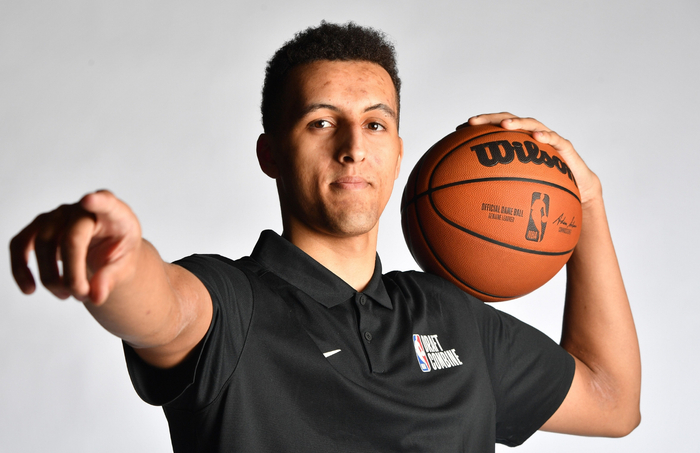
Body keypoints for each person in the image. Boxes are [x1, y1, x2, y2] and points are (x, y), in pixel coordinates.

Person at [9, 22, 640, 452]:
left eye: (376, 124)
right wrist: (116, 264)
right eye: (320, 122)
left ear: (399, 154)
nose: (353, 147)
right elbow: (164, 307)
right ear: (270, 154)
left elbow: (614, 403)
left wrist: (588, 204)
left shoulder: (455, 318)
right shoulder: (232, 304)